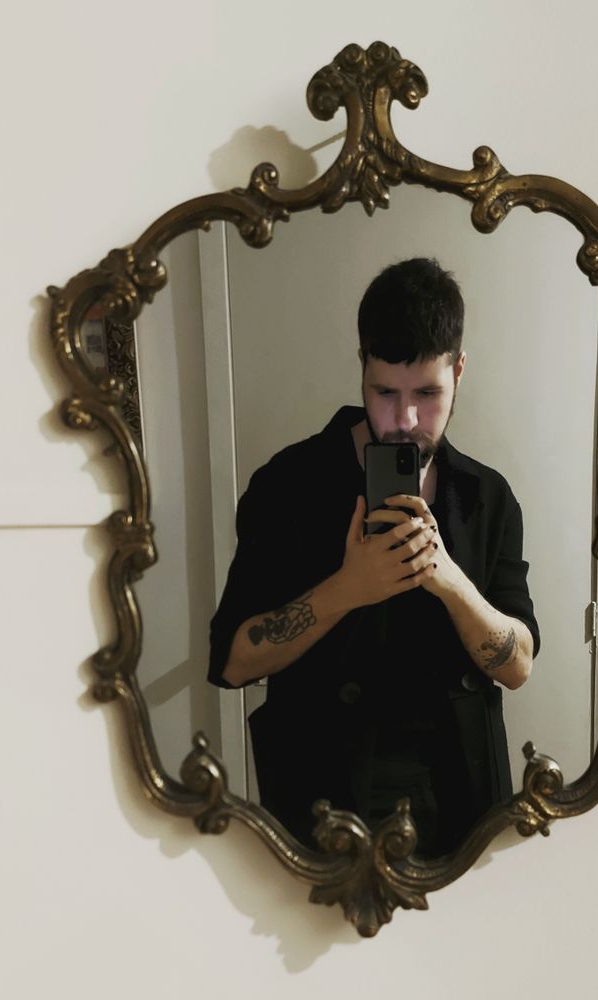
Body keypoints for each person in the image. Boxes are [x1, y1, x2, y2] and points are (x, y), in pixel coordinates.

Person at [208, 258, 539, 855]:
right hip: (322, 792)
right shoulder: (288, 484)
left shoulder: (488, 497)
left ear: (459, 370)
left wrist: (448, 580)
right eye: (385, 392)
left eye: (428, 393)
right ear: (362, 366)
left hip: (459, 792)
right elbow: (234, 662)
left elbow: (517, 666)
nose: (405, 420)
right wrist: (348, 588)